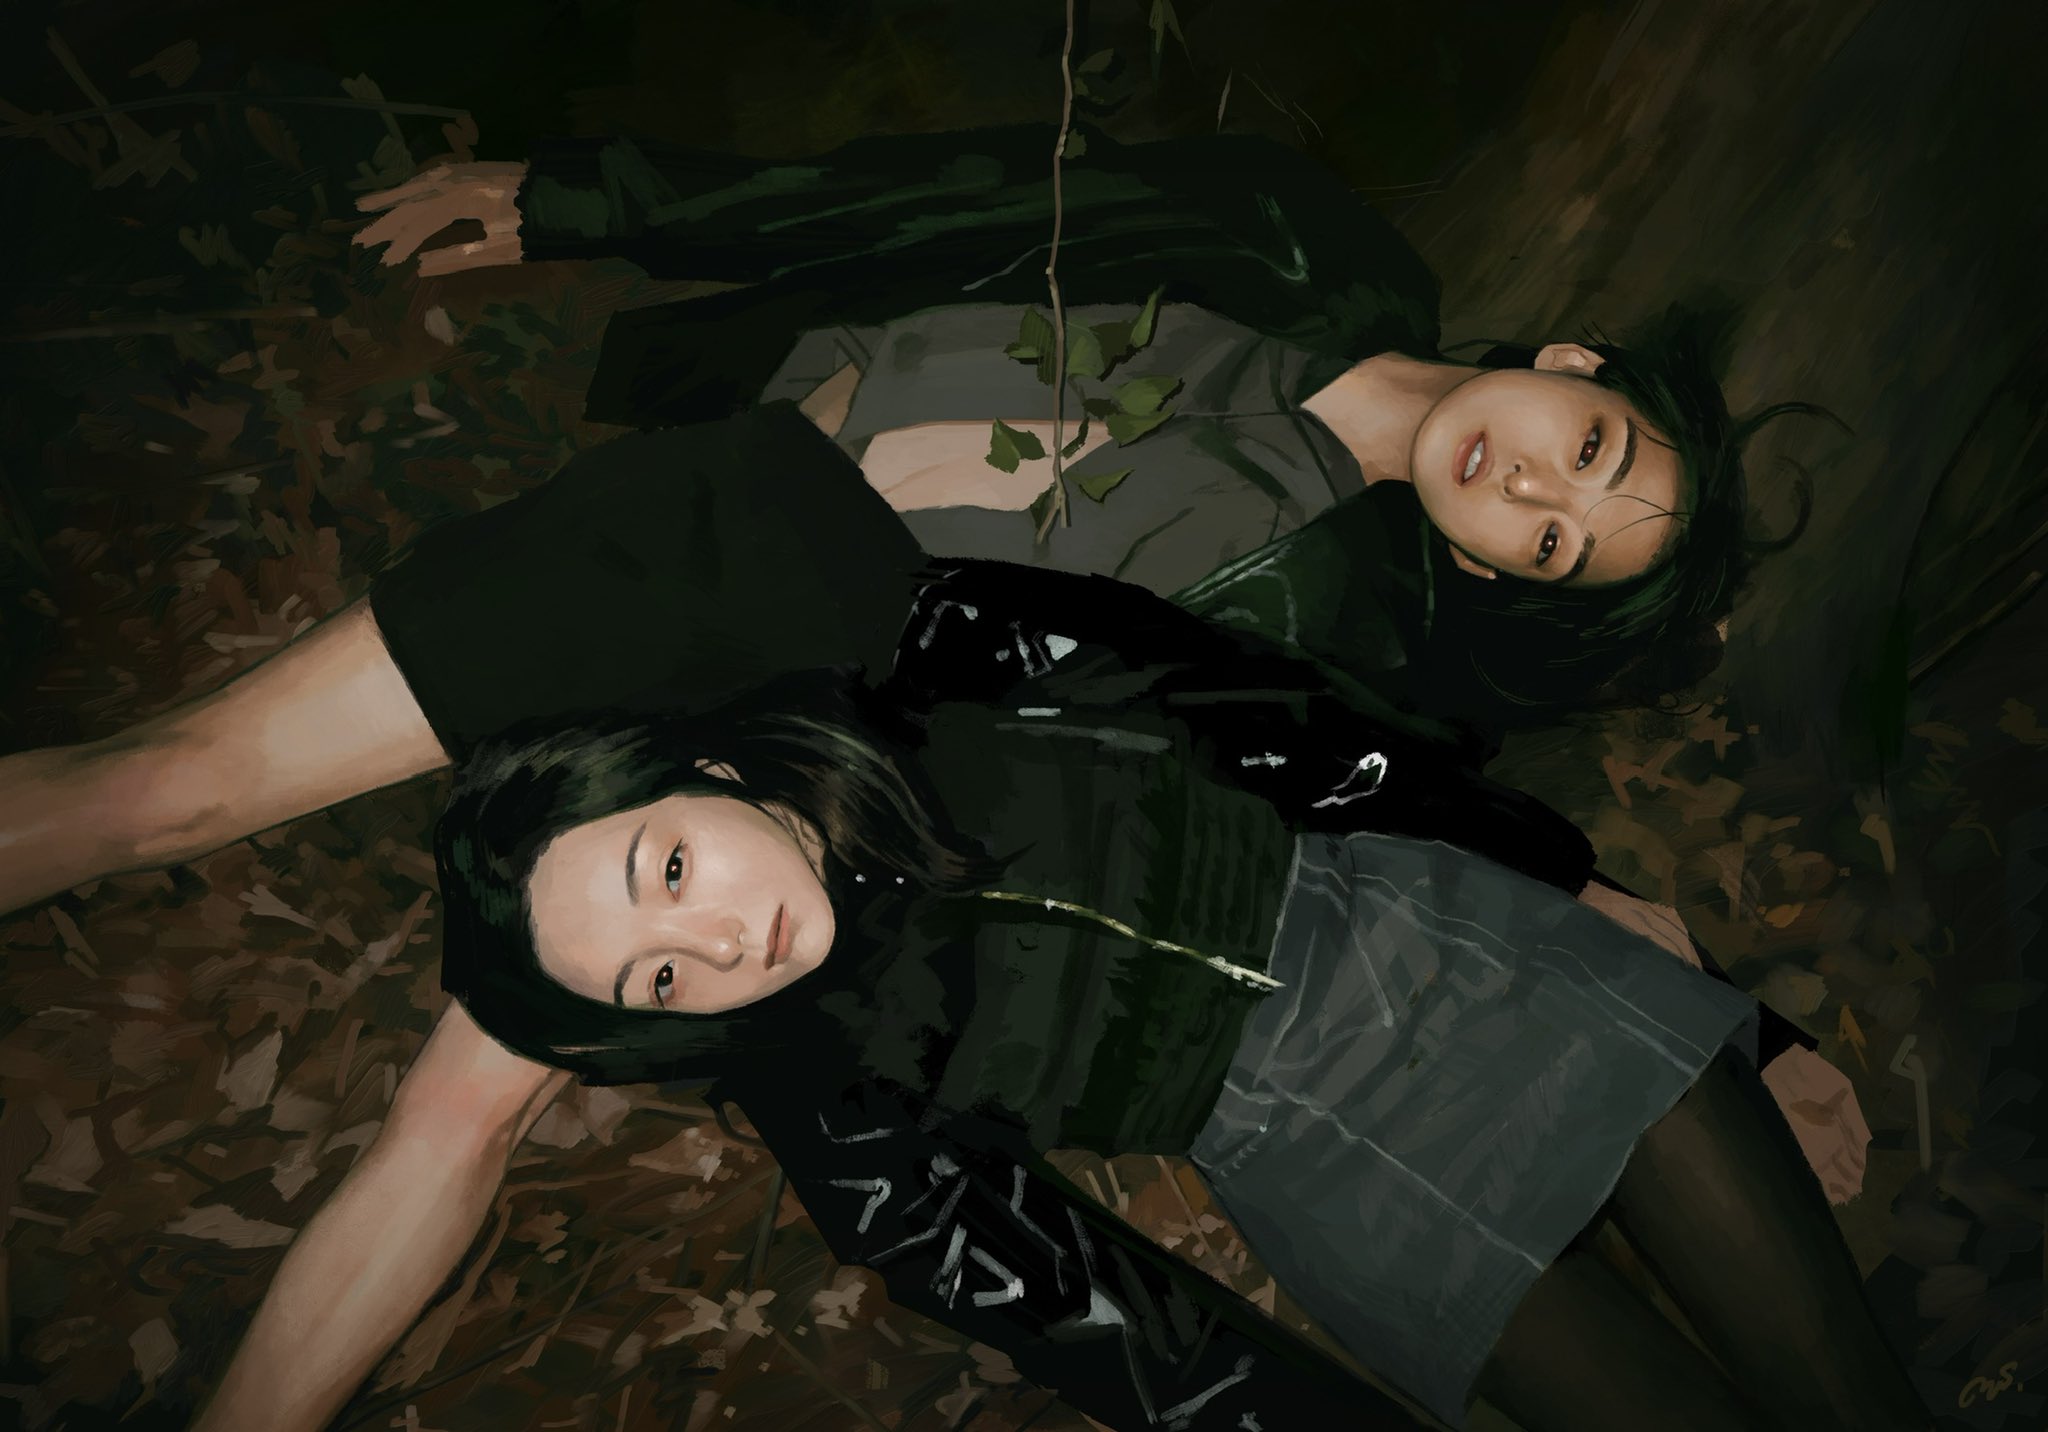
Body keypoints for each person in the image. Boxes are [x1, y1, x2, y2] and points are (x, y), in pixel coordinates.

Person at [171, 404, 1921, 1431]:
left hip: (1452, 952)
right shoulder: (823, 1080)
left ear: (691, 766)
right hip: (1330, 1166)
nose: (716, 949)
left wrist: (1595, 896)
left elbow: (1300, 731)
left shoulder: (946, 655)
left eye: (671, 875)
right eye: (658, 978)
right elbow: (1103, 1321)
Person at [353, 123, 1824, 740]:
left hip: (747, 629)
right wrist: (598, 202)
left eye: (1552, 541)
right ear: (1577, 361)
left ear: (1496, 571)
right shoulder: (1306, 243)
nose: (1530, 485)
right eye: (1592, 446)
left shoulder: (1326, 610)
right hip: (754, 412)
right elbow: (955, 192)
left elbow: (1405, 772)